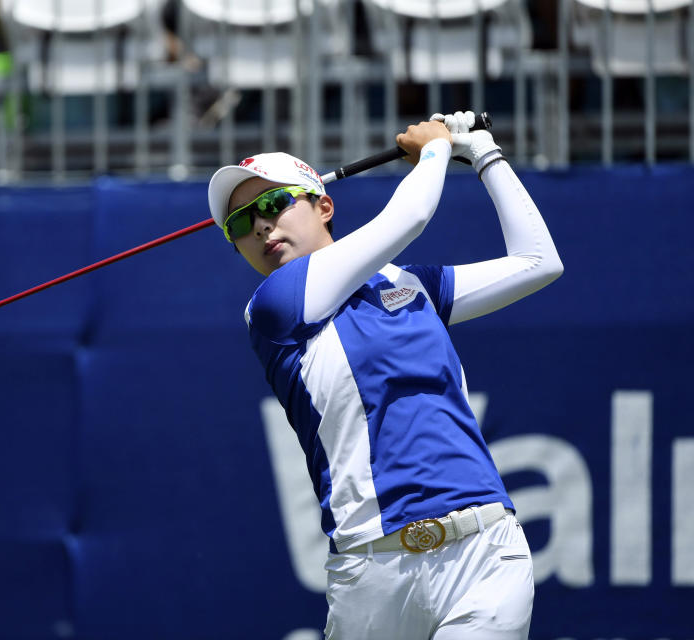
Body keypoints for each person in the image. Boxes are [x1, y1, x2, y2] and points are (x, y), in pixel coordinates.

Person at [206, 111, 562, 639]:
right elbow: (411, 215)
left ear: (324, 205)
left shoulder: (409, 285)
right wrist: (438, 148)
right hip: (372, 570)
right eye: (240, 224)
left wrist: (484, 153)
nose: (261, 225)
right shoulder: (274, 307)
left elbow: (538, 262)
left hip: (483, 553)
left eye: (275, 203)